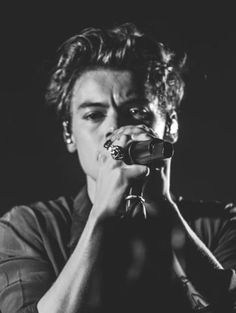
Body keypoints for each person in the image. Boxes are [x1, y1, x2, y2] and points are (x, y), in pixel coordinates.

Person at [0, 22, 236, 313]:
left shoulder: (221, 226)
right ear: (68, 134)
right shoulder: (27, 229)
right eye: (94, 115)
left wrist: (163, 211)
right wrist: (104, 211)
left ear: (171, 126)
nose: (114, 128)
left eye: (136, 111)